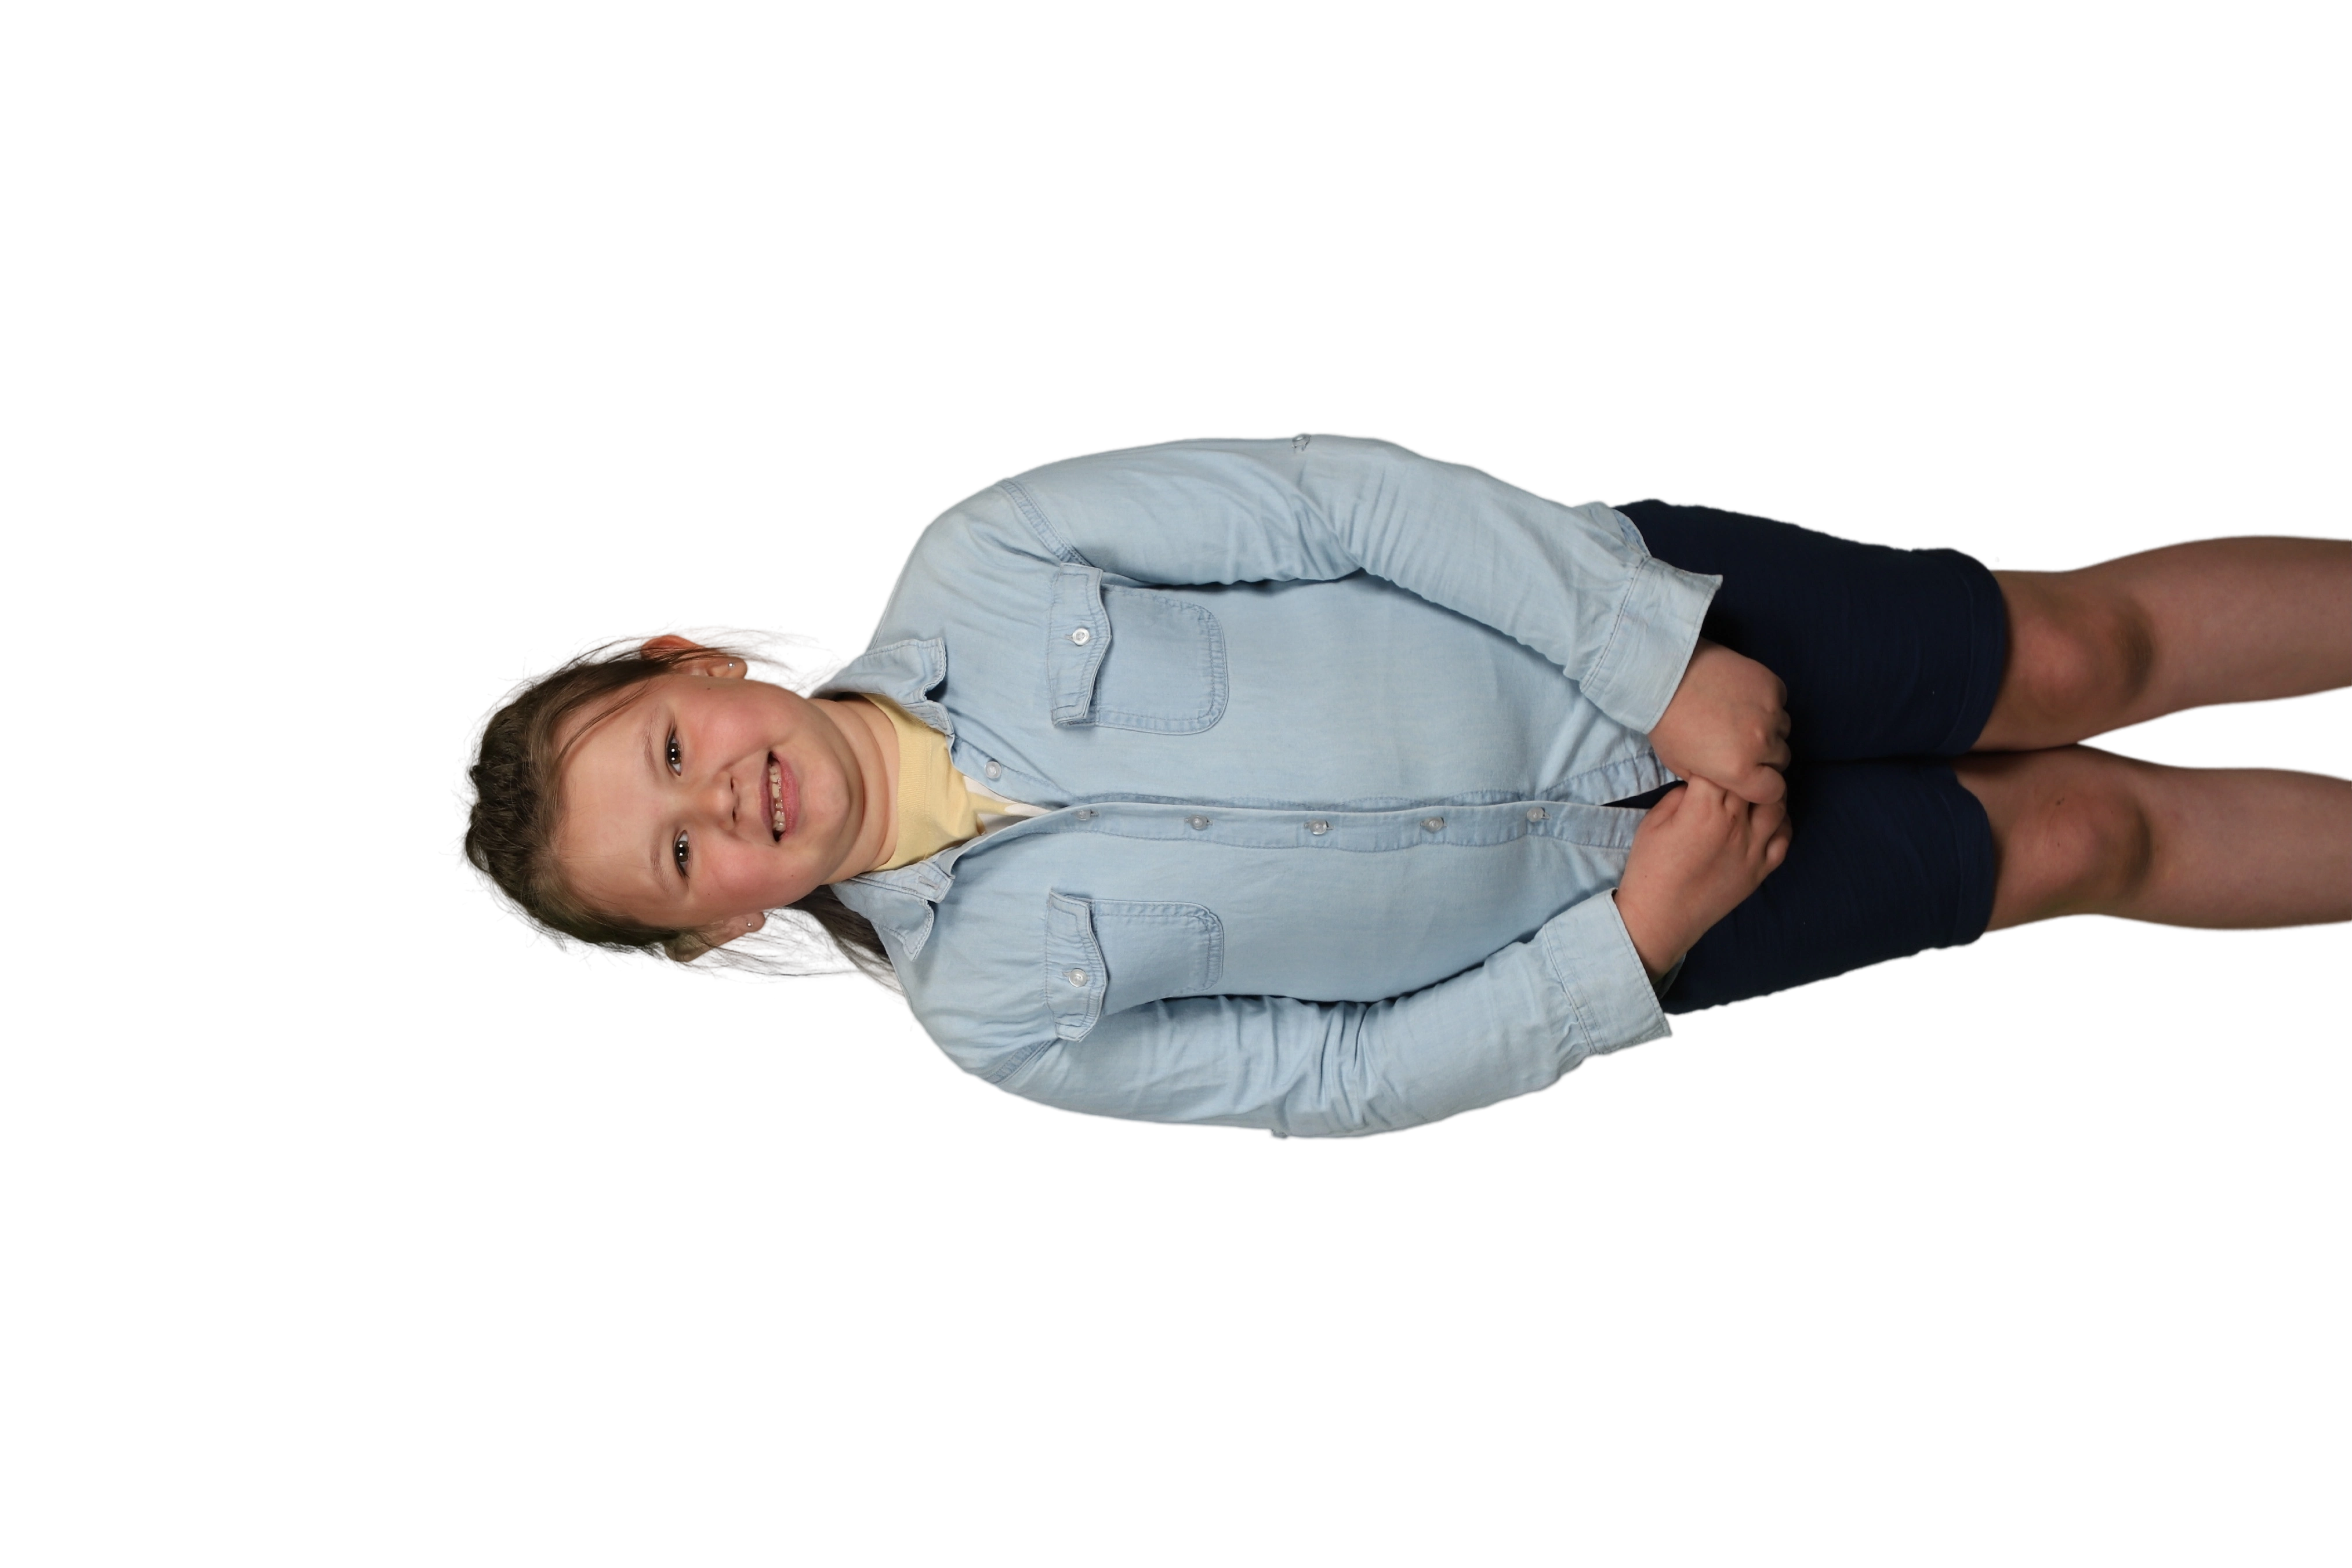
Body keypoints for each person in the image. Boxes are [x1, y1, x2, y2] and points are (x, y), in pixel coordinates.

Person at [447, 431, 2352, 1142]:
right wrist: (1630, 944)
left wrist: (1654, 662)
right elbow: (1335, 1080)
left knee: (2073, 659)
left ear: (695, 663)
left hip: (1636, 630)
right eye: (676, 857)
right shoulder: (998, 1022)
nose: (722, 805)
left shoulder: (990, 564)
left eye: (671, 755)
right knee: (2077, 833)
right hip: (1673, 901)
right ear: (717, 932)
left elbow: (1336, 502)